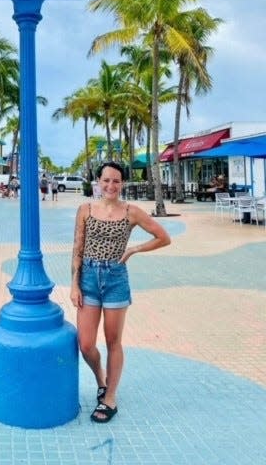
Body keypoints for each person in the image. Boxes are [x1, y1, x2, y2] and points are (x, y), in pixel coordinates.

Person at [70, 161, 171, 424]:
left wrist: (134, 250)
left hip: (115, 279)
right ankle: (101, 378)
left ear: (122, 183)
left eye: (116, 181)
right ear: (98, 182)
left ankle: (110, 397)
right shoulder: (85, 209)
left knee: (113, 341)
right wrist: (74, 283)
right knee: (86, 344)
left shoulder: (131, 212)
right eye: (106, 180)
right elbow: (78, 248)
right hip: (89, 278)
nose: (110, 186)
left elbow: (163, 237)